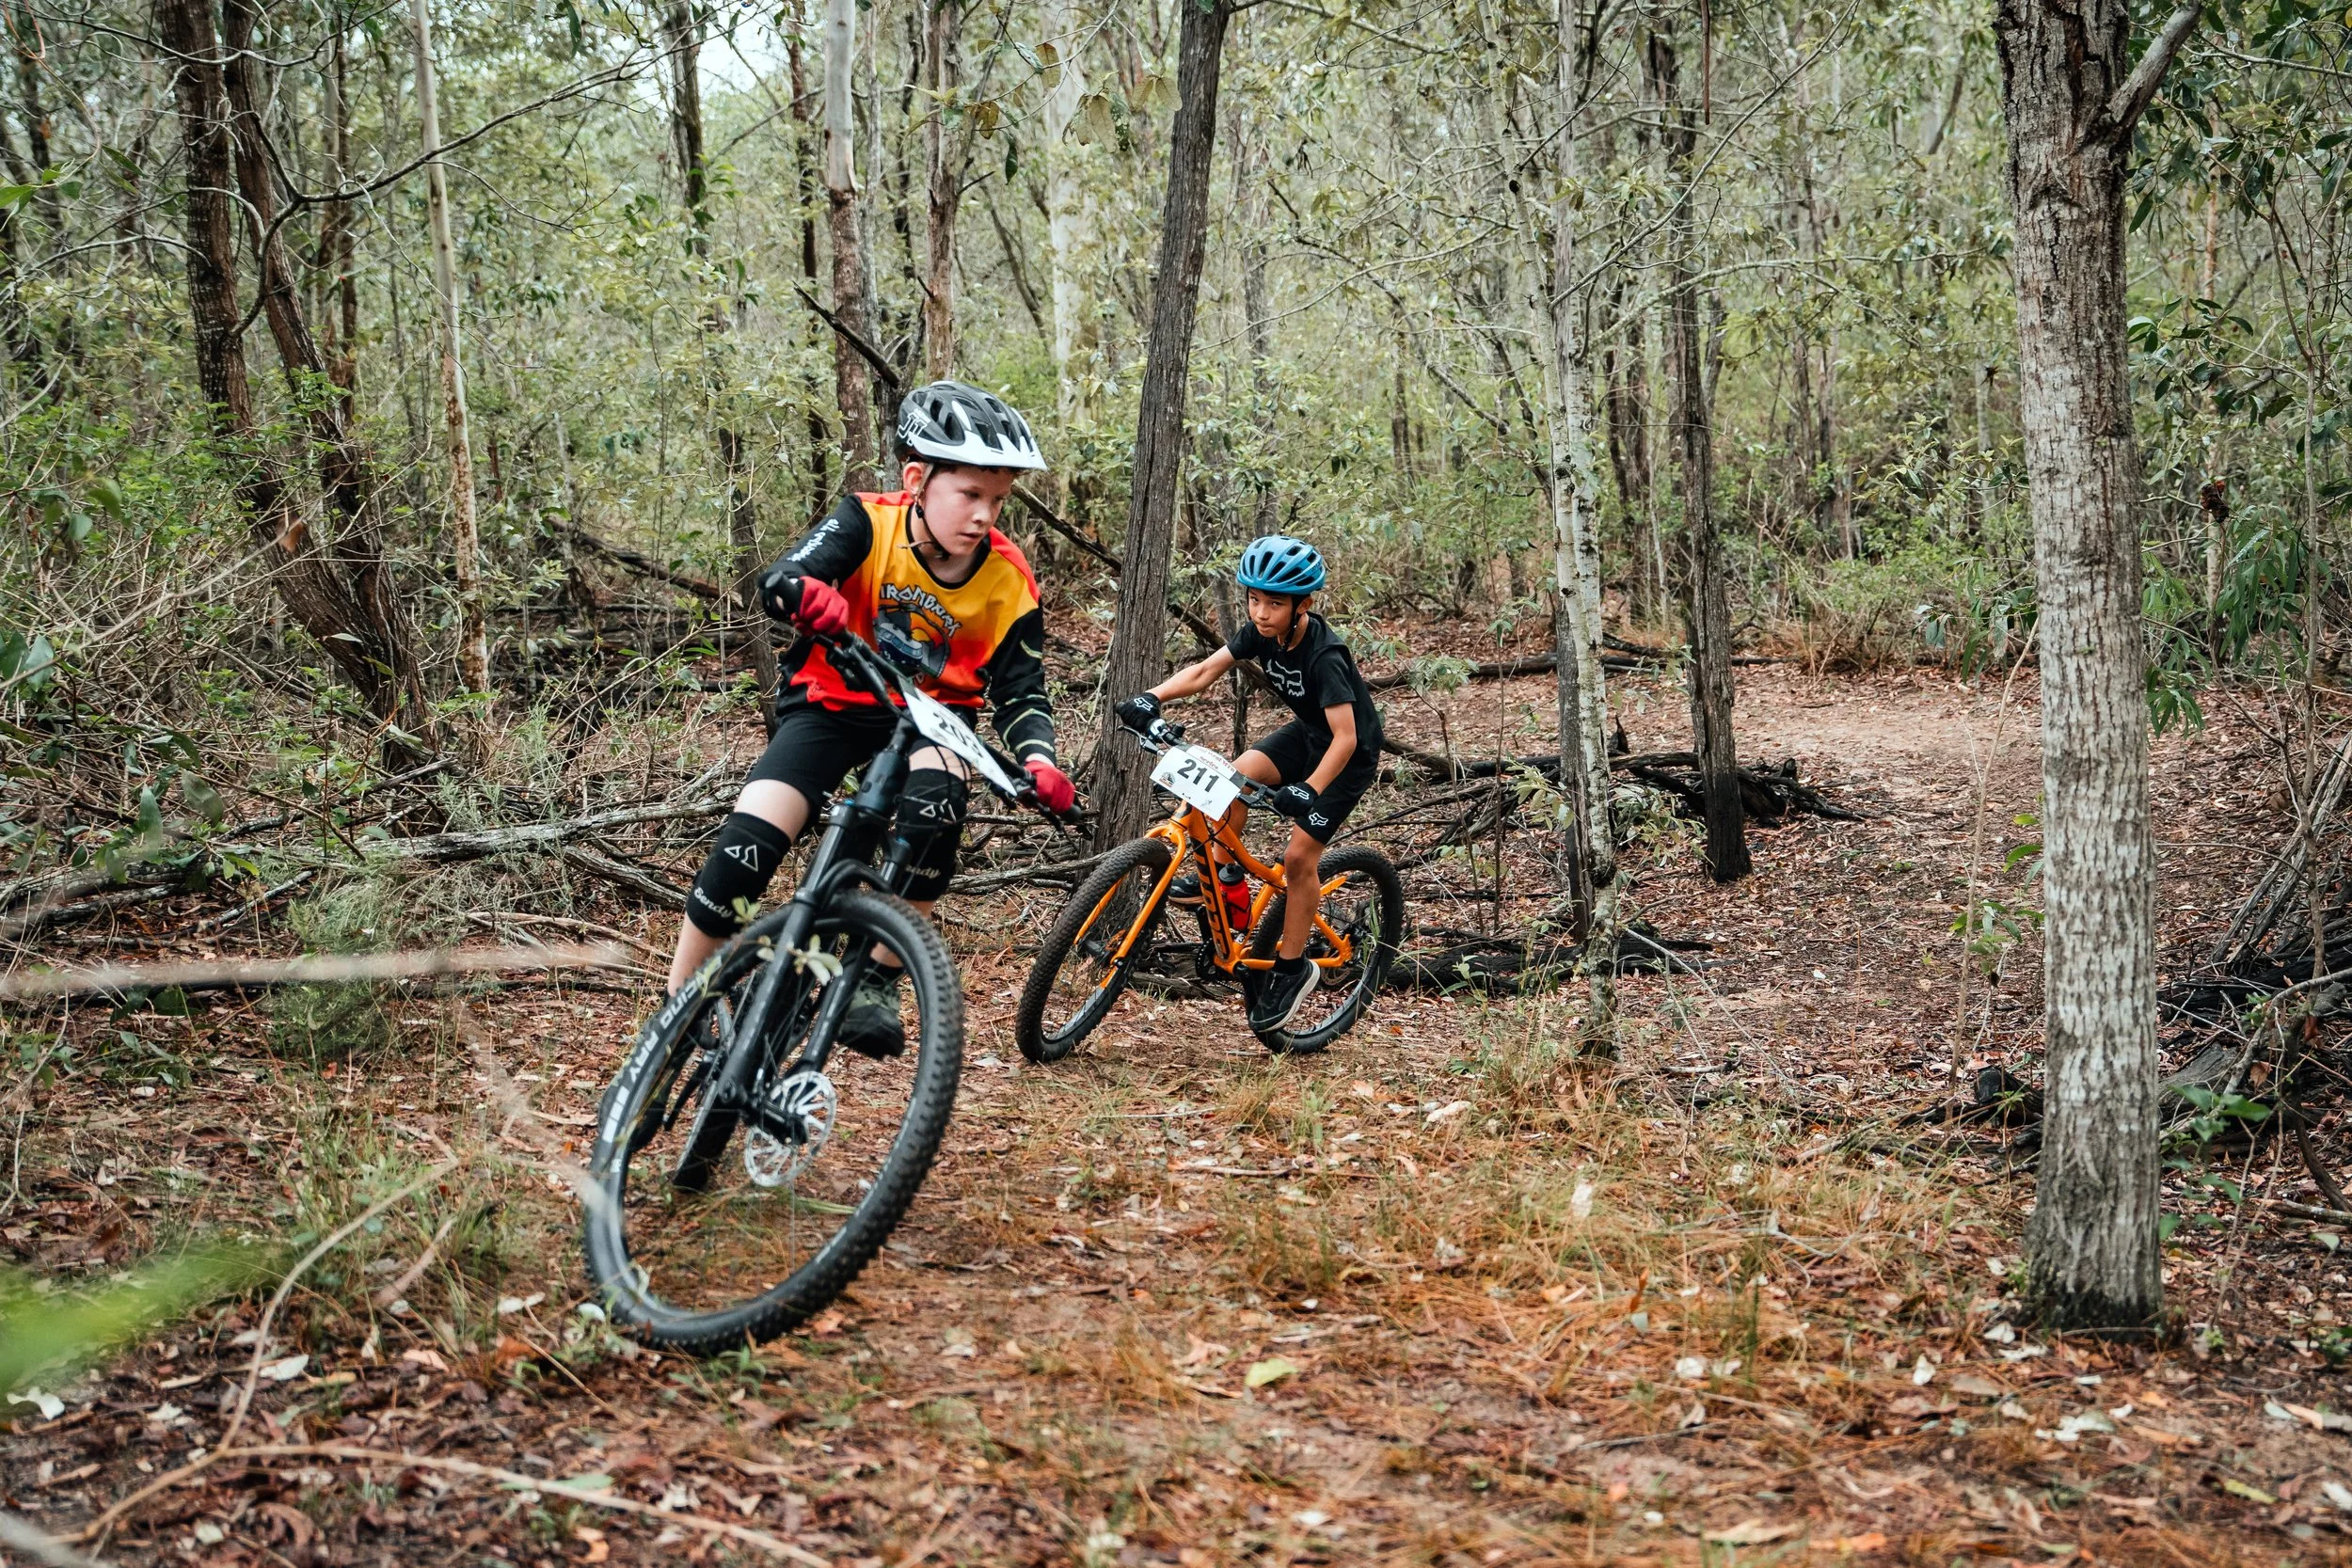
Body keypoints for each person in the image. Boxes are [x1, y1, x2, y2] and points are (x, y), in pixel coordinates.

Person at [662, 381, 1078, 1057]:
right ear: (917, 478)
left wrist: (1040, 759)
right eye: (970, 495)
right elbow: (782, 577)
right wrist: (806, 594)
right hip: (832, 701)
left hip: (933, 720)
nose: (984, 515)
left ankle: (877, 977)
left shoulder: (1009, 577)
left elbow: (1023, 691)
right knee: (749, 843)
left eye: (998, 500)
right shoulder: (867, 520)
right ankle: (682, 998)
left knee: (938, 805)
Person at [1113, 535, 1384, 1033]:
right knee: (1225, 782)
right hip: (1306, 735)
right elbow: (1205, 671)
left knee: (1300, 858)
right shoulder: (1261, 632)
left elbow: (1345, 738)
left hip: (1348, 756)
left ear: (1303, 605)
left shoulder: (1325, 655)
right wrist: (1151, 697)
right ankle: (1229, 889)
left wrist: (1309, 789)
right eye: (1253, 599)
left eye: (1274, 603)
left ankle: (1291, 966)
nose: (1261, 612)